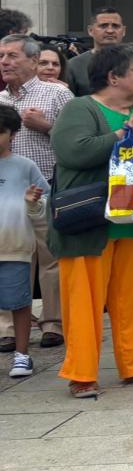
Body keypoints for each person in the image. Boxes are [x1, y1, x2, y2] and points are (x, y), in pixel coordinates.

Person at [51, 46, 133, 397]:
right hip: (91, 223)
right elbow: (73, 151)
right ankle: (82, 373)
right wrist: (126, 133)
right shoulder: (81, 108)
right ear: (113, 77)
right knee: (84, 302)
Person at [0, 35, 69, 353]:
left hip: (46, 186)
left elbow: (74, 139)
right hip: (6, 194)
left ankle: (53, 323)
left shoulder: (55, 92)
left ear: (32, 60)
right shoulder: (1, 99)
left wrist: (45, 126)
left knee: (49, 257)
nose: (5, 62)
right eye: (2, 56)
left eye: (12, 56)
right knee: (10, 257)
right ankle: (8, 327)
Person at [0, 105, 48, 379]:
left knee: (19, 302)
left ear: (13, 135)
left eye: (1, 132)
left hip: (15, 247)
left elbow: (44, 203)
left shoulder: (25, 166)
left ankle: (22, 354)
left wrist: (32, 203)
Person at [66, 9, 133, 100]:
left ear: (124, 31)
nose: (110, 31)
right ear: (90, 30)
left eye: (115, 26)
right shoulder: (73, 66)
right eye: (103, 26)